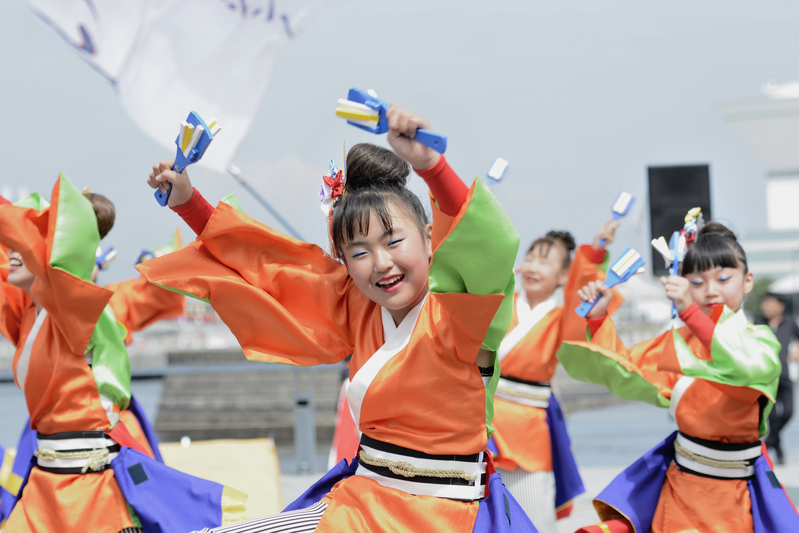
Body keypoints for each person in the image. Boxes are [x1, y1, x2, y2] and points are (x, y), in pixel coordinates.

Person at [138, 103, 540, 532]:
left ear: (429, 237)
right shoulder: (357, 306)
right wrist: (190, 204)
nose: (381, 263)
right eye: (360, 252)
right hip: (362, 508)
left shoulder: (462, 313)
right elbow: (270, 269)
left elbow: (488, 246)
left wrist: (432, 166)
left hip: (445, 516)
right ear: (343, 262)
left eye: (393, 241)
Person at [0, 173, 244, 532]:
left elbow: (153, 294)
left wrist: (164, 257)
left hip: (90, 484)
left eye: (34, 238)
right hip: (45, 475)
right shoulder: (29, 312)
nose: (12, 253)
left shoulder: (80, 309)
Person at [556, 221, 798, 533]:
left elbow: (747, 368)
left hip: (736, 497)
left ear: (747, 281)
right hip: (681, 491)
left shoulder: (760, 339)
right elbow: (627, 370)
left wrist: (691, 314)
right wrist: (599, 316)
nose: (711, 290)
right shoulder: (680, 340)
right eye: (697, 282)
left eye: (723, 278)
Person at [487, 224, 622, 532]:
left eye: (545, 262)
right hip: (480, 420)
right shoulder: (500, 298)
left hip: (527, 432)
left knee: (536, 521)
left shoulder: (561, 318)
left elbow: (585, 294)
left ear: (563, 276)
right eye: (531, 258)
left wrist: (597, 253)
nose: (533, 267)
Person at [755, 292, 799, 465]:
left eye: (771, 304)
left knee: (788, 412)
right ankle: (779, 453)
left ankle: (768, 443)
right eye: (764, 304)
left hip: (785, 376)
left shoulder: (789, 322)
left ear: (780, 306)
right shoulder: (757, 322)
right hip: (765, 379)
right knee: (771, 417)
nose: (766, 307)